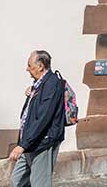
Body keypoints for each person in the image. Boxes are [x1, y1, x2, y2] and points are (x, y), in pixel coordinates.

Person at [10, 50, 66, 187]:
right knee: (17, 180)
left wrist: (22, 145)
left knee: (39, 183)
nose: (27, 69)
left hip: (42, 141)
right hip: (30, 141)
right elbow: (33, 111)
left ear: (40, 66)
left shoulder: (52, 84)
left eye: (29, 65)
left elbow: (43, 117)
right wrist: (31, 93)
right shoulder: (40, 83)